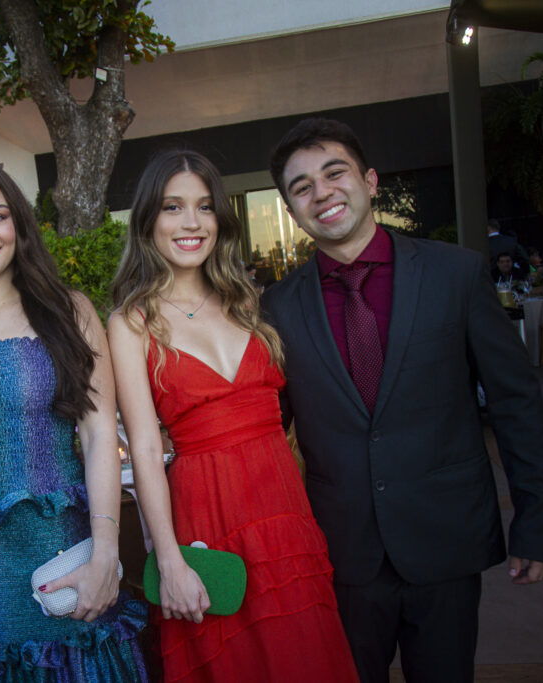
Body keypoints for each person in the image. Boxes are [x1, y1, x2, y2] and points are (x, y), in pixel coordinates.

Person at [262, 118, 543, 683]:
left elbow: (516, 402)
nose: (321, 192)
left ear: (370, 180)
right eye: (301, 187)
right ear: (291, 208)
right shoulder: (275, 307)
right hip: (340, 550)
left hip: (445, 536)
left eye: (335, 173)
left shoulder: (455, 273)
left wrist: (538, 523)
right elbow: (266, 426)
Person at [107, 149, 358, 682]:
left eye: (204, 207)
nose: (191, 222)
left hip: (285, 512)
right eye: (173, 207)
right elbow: (147, 451)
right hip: (208, 516)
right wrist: (170, 561)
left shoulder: (248, 302)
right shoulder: (132, 322)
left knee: (306, 659)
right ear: (148, 219)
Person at [0, 160, 148, 681]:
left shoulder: (70, 311)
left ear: (18, 223)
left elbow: (100, 432)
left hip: (61, 548)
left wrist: (107, 552)